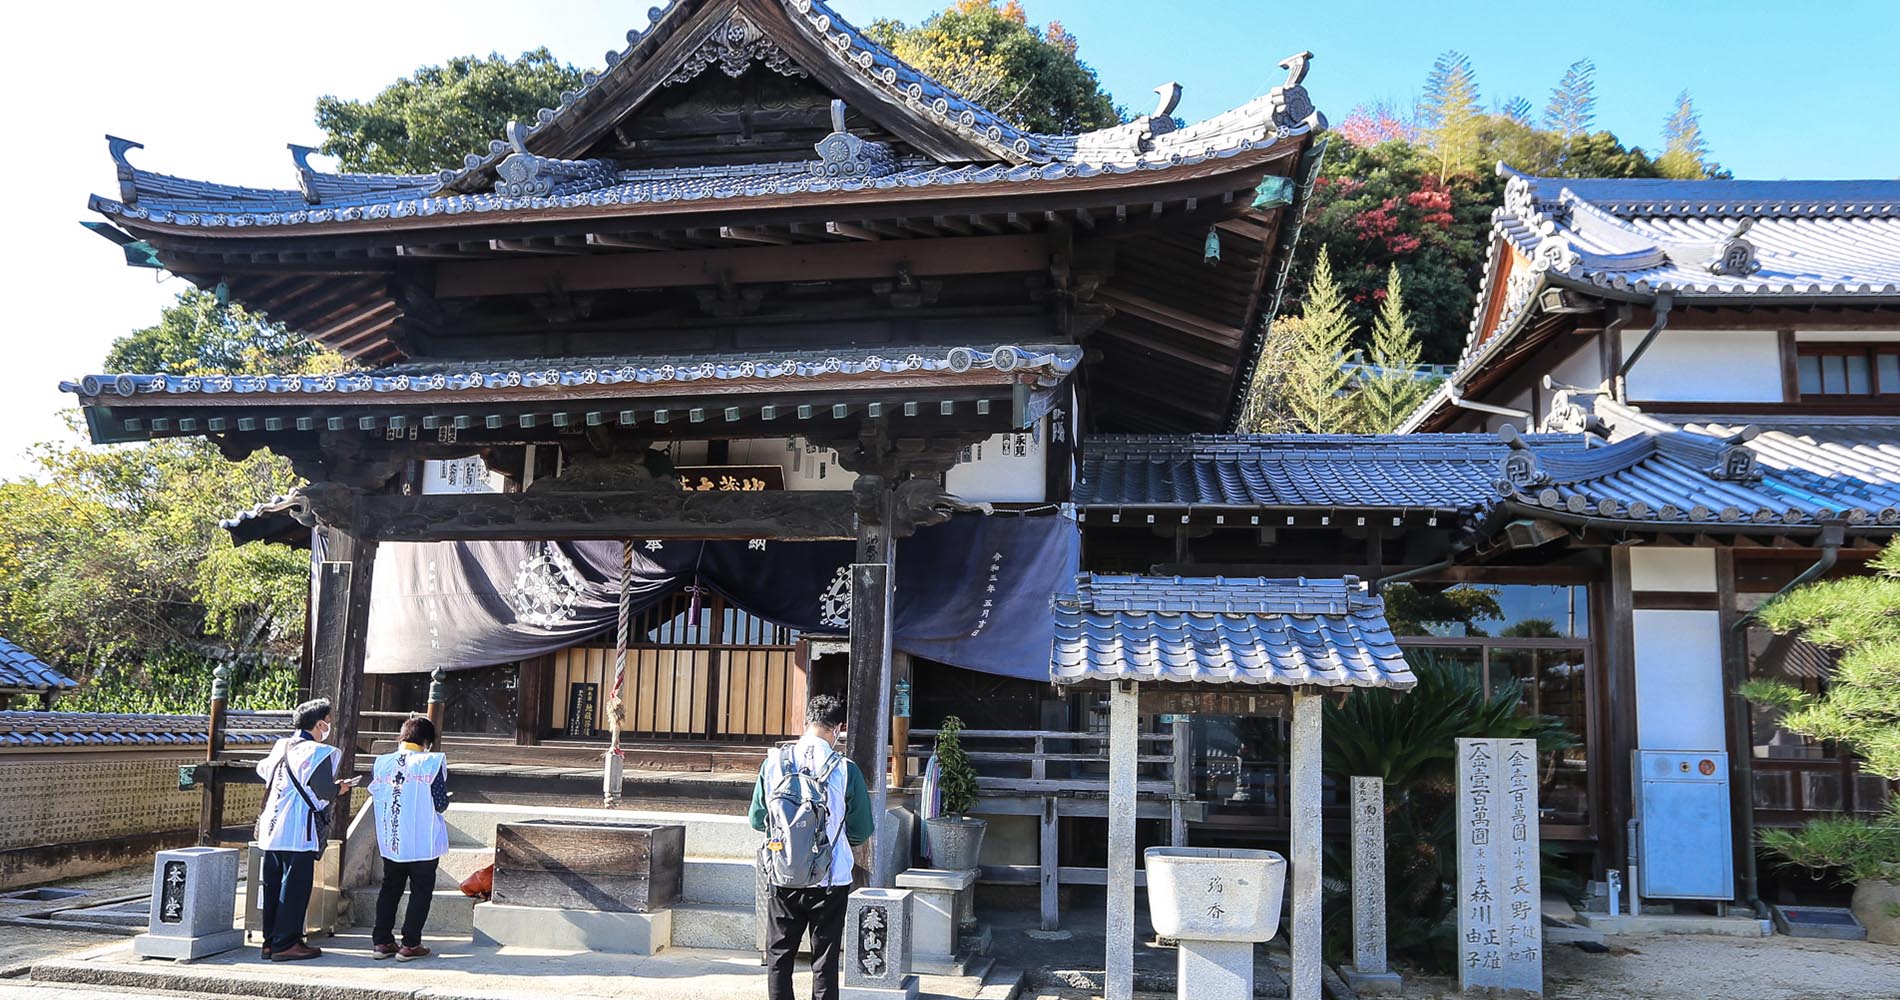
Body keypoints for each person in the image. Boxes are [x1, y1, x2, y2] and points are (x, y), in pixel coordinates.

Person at [750, 694, 874, 1000]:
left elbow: (757, 818)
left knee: (780, 954)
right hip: (830, 878)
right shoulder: (846, 769)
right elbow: (860, 830)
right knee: (825, 959)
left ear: (806, 722)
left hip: (783, 873)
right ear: (838, 728)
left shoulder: (773, 762)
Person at [254, 698, 356, 962]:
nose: (329, 726)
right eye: (329, 721)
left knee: (273, 886)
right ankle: (286, 943)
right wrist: (340, 788)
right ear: (319, 723)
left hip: (272, 827)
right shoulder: (316, 752)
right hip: (298, 828)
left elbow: (264, 771)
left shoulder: (280, 746)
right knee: (295, 887)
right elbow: (323, 790)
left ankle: (271, 941)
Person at [367, 714, 451, 961]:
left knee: (390, 888)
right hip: (422, 838)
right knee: (421, 890)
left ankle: (381, 942)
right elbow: (440, 802)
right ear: (427, 741)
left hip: (392, 838)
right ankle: (410, 943)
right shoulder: (429, 762)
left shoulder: (382, 762)